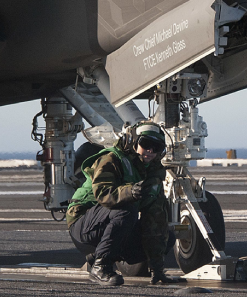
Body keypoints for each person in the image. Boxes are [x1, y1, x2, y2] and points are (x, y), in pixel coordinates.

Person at [65, 122, 180, 287]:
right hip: (83, 225)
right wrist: (130, 192)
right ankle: (101, 267)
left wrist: (157, 268)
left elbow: (156, 220)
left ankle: (99, 255)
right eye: (146, 144)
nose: (150, 151)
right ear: (132, 141)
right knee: (126, 210)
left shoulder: (152, 175)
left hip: (108, 227)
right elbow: (103, 194)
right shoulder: (111, 159)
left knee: (167, 235)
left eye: (157, 147)